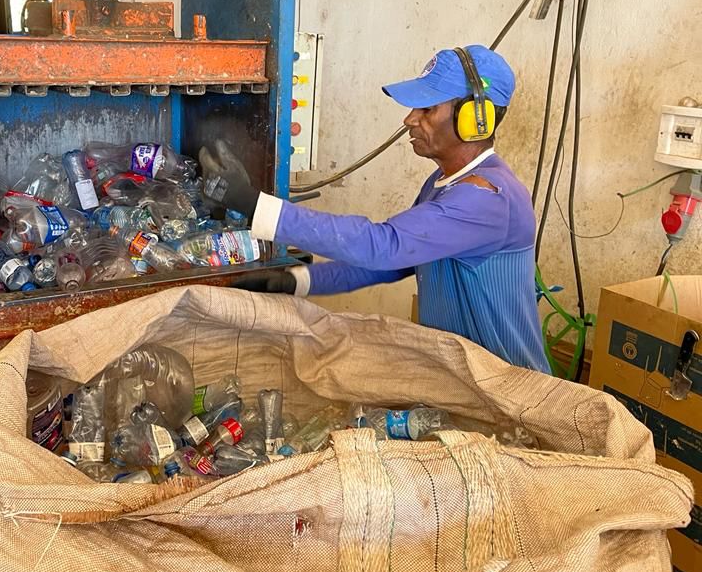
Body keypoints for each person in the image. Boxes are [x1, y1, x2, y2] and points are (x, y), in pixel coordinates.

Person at [200, 44, 551, 374]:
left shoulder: (488, 198)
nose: (409, 120)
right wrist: (297, 281)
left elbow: (383, 246)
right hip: (460, 378)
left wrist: (252, 203)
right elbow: (392, 264)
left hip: (506, 387)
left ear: (477, 118)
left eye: (428, 109)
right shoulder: (442, 184)